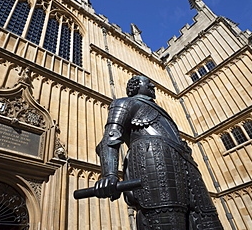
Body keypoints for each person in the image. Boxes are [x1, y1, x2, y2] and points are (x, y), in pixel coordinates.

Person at [94, 75, 223, 229]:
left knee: (208, 221)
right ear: (135, 86)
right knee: (167, 220)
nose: (153, 86)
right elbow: (110, 138)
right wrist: (109, 175)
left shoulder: (163, 113)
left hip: (188, 169)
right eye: (148, 83)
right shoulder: (124, 103)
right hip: (154, 166)